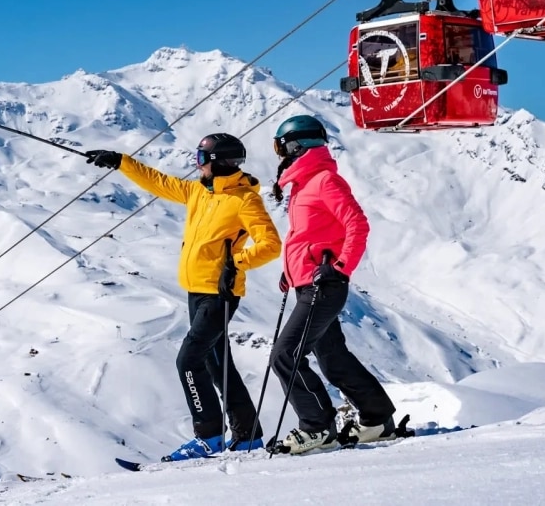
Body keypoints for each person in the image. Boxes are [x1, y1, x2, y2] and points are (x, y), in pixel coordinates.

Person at [84, 133, 281, 461]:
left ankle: (209, 437)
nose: (197, 164)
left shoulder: (244, 200)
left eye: (201, 158)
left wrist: (236, 263)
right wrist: (120, 162)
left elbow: (270, 244)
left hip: (220, 294)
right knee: (218, 365)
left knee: (188, 360)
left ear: (216, 162)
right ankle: (247, 436)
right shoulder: (198, 193)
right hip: (197, 290)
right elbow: (158, 182)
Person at [266, 114, 398, 455]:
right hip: (309, 282)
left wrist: (340, 268)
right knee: (333, 360)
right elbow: (309, 237)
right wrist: (292, 272)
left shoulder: (324, 181)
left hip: (325, 285)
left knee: (285, 355)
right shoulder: (302, 185)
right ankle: (377, 419)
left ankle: (317, 427)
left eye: (280, 146)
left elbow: (357, 224)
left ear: (295, 145)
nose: (278, 154)